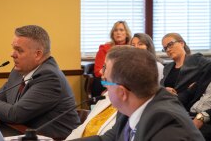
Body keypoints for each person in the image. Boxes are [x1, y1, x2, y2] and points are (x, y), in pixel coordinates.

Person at [72, 48, 204, 141]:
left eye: (106, 82)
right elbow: (107, 139)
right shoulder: (130, 110)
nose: (105, 87)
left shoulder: (167, 127)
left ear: (122, 92)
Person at [0, 25, 80, 139]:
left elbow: (15, 114)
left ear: (38, 54)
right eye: (13, 48)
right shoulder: (18, 72)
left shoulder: (50, 77)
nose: (12, 54)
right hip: (21, 135)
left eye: (19, 50)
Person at [67, 46, 132, 140]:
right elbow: (84, 128)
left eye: (105, 67)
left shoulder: (132, 108)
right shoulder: (107, 95)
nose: (101, 71)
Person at [161, 32, 211, 140]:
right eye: (165, 48)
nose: (168, 49)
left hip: (189, 108)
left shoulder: (197, 61)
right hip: (168, 107)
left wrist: (192, 88)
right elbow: (158, 87)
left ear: (182, 43)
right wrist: (164, 90)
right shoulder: (167, 68)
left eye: (170, 44)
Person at [92, 21, 132, 97]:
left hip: (126, 80)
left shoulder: (131, 48)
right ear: (112, 34)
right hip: (106, 80)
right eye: (115, 30)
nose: (118, 33)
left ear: (126, 33)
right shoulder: (105, 48)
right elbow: (98, 71)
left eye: (121, 30)